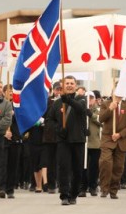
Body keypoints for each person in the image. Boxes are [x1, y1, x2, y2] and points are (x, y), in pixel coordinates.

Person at [48, 75, 87, 205]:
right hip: (63, 140)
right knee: (63, 167)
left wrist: (68, 100)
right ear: (62, 85)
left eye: (72, 83)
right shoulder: (57, 103)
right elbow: (50, 120)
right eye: (67, 83)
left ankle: (73, 194)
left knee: (77, 169)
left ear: (75, 85)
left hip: (77, 140)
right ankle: (64, 194)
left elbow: (80, 109)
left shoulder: (81, 99)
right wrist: (58, 129)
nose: (69, 85)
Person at [98, 90, 126, 199]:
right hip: (107, 139)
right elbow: (101, 119)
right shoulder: (105, 104)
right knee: (105, 162)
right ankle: (104, 188)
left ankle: (113, 190)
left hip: (121, 140)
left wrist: (120, 134)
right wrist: (110, 109)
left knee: (118, 167)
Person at [0, 84, 22, 199]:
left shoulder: (18, 106)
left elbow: (23, 120)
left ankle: (10, 189)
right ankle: (1, 187)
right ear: (4, 93)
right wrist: (4, 132)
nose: (11, 94)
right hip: (2, 138)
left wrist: (15, 115)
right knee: (2, 164)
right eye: (8, 92)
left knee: (13, 165)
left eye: (12, 92)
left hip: (15, 138)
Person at [79, 91, 102, 197]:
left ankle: (93, 186)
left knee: (94, 167)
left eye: (91, 98)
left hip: (95, 142)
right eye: (87, 98)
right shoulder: (80, 109)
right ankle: (82, 187)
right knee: (83, 167)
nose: (90, 100)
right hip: (83, 142)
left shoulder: (98, 109)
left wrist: (91, 114)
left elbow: (101, 121)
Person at [42, 81, 62, 194]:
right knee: (51, 161)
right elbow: (45, 116)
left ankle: (62, 182)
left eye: (60, 89)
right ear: (53, 90)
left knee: (62, 161)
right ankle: (51, 184)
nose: (58, 91)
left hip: (62, 136)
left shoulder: (65, 101)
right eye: (57, 89)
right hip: (50, 136)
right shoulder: (47, 101)